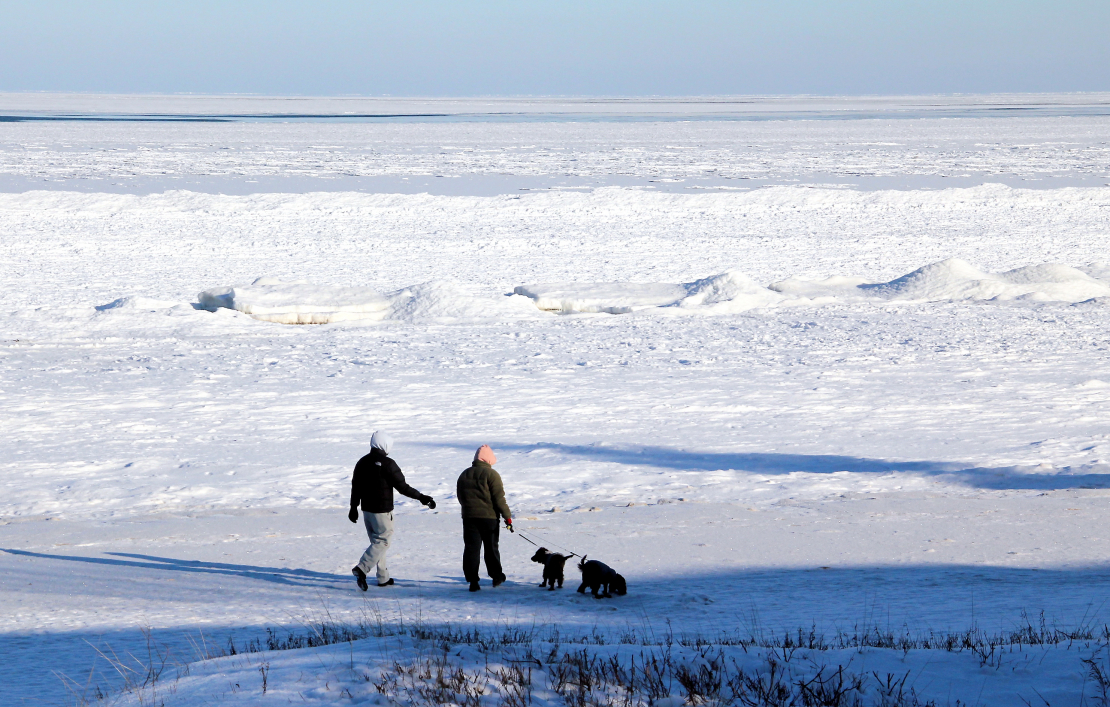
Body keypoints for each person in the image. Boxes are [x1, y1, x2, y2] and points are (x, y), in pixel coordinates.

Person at [348, 430, 436, 590]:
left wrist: (353, 508)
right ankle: (362, 568)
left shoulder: (362, 462)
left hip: (367, 511)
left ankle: (383, 578)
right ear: (384, 445)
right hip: (382, 512)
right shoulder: (388, 464)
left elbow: (356, 487)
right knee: (383, 541)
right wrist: (421, 497)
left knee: (377, 544)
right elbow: (402, 487)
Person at [456, 444, 512, 592]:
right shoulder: (492, 475)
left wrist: (468, 509)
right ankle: (496, 576)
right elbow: (499, 499)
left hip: (469, 517)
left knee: (471, 549)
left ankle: (473, 581)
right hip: (489, 518)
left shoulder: (464, 474)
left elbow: (460, 496)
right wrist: (507, 517)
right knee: (491, 548)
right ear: (488, 459)